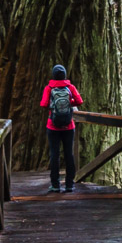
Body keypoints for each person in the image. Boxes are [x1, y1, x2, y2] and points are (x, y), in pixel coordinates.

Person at [40, 63, 83, 193]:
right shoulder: (70, 87)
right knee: (69, 154)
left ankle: (55, 185)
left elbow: (44, 104)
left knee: (54, 155)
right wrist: (69, 103)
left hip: (52, 126)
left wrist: (54, 106)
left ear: (53, 75)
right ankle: (69, 184)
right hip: (69, 126)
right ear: (64, 75)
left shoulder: (49, 88)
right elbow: (79, 101)